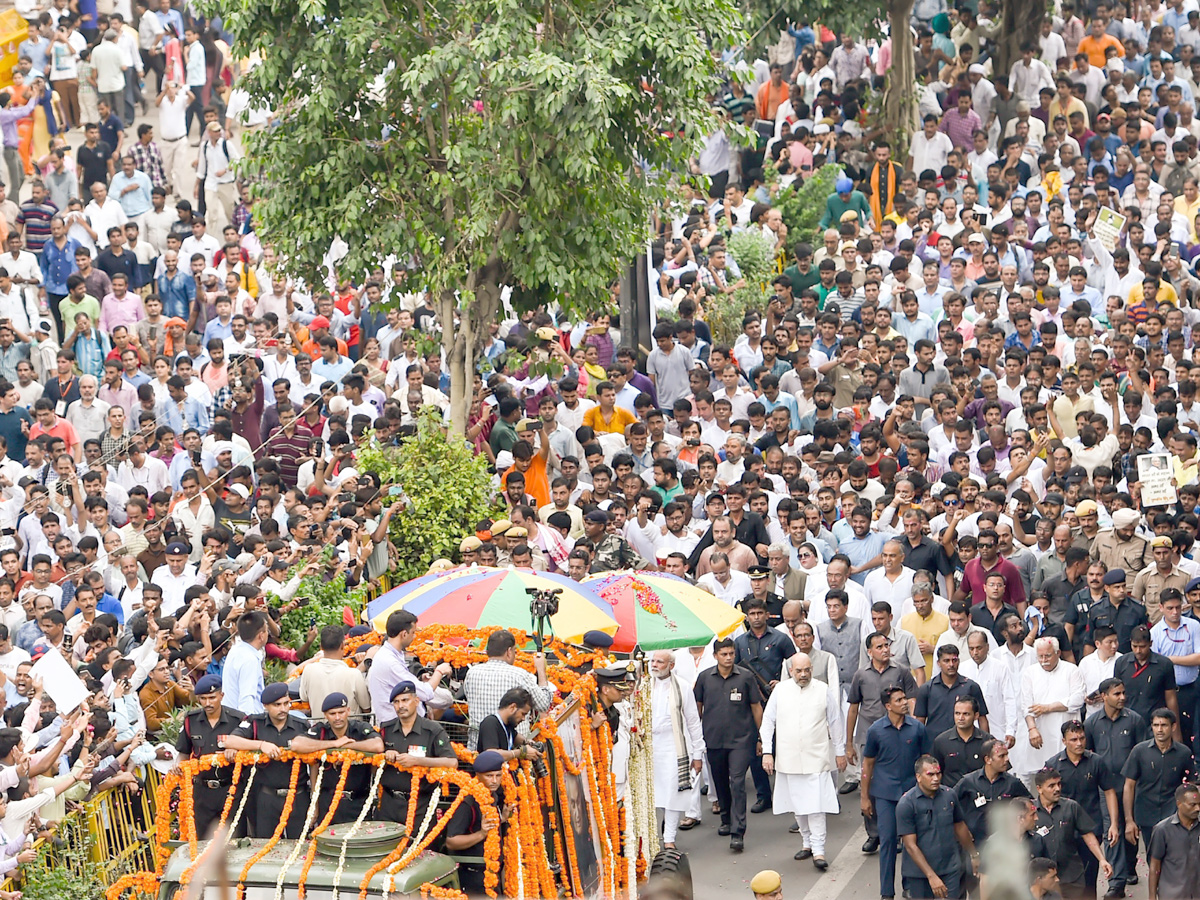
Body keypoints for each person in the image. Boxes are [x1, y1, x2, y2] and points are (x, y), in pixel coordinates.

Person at [760, 652, 846, 870]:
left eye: (807, 670)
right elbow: (768, 721)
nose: (803, 674)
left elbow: (835, 721)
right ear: (790, 671)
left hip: (815, 756)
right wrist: (768, 752)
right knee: (798, 805)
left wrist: (840, 751)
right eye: (799, 671)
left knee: (816, 806)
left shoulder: (822, 689)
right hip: (788, 757)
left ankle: (819, 850)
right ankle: (806, 843)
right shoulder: (780, 690)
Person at [694, 636, 763, 852]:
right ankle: (726, 819)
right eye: (724, 654)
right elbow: (697, 706)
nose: (728, 658)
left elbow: (756, 707)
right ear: (715, 656)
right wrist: (696, 737)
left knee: (737, 781)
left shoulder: (745, 677)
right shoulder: (705, 678)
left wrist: (760, 736)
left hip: (742, 739)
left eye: (731, 653)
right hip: (714, 739)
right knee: (720, 781)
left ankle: (738, 831)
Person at [861, 686, 931, 900]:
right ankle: (886, 892)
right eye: (899, 700)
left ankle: (909, 885)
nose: (904, 703)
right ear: (888, 705)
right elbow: (868, 765)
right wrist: (865, 797)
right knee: (888, 841)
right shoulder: (876, 730)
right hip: (885, 795)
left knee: (912, 841)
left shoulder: (917, 729)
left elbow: (926, 759)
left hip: (912, 794)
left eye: (904, 699)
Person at [220, 682, 310, 838]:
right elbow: (228, 740)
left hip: (298, 796)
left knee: (300, 845)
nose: (283, 709)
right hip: (267, 797)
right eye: (277, 705)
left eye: (286, 703)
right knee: (265, 847)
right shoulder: (255, 723)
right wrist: (261, 745)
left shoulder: (301, 725)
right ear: (265, 706)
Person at [290, 692, 384, 824]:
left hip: (358, 801)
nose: (337, 717)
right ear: (325, 715)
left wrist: (350, 747)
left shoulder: (359, 728)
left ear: (348, 711)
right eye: (332, 714)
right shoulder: (321, 731)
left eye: (341, 712)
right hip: (328, 802)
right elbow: (296, 744)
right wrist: (333, 745)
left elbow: (378, 745)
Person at [895, 755, 980, 900]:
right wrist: (931, 876)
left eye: (938, 774)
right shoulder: (906, 804)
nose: (936, 778)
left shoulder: (949, 795)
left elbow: (960, 827)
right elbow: (910, 846)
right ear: (918, 777)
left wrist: (973, 855)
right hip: (920, 874)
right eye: (930, 774)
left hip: (950, 868)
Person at [1121, 708, 1196, 868]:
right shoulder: (1139, 752)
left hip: (1174, 815)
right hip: (1147, 815)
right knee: (1154, 860)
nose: (1159, 729)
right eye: (1156, 725)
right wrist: (1129, 821)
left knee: (1176, 858)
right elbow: (1129, 786)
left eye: (1164, 725)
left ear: (1173, 727)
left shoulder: (1183, 753)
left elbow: (1191, 786)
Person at [377, 681, 458, 827]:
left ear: (416, 701)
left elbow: (452, 762)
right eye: (396, 702)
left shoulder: (432, 730)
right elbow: (373, 756)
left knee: (420, 849)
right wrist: (385, 754)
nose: (401, 706)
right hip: (389, 804)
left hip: (420, 805)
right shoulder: (386, 729)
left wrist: (418, 761)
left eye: (405, 700)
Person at [173, 674, 245, 838]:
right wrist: (178, 765)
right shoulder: (191, 721)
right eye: (203, 698)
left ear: (221, 695)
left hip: (230, 789)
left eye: (212, 697)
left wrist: (237, 751)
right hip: (202, 791)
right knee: (202, 842)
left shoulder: (238, 719)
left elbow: (249, 753)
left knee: (233, 840)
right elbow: (183, 751)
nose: (207, 703)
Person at [648, 650, 705, 850]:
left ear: (671, 665)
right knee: (653, 794)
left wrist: (698, 753)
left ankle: (669, 838)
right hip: (648, 747)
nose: (654, 665)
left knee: (673, 792)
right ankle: (651, 837)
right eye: (653, 661)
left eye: (659, 662)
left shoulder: (682, 687)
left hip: (674, 746)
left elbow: (693, 721)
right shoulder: (643, 685)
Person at [463, 628, 553, 750]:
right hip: (513, 751)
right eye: (515, 651)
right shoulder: (520, 675)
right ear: (509, 651)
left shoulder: (472, 673)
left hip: (477, 751)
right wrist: (541, 670)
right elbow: (543, 705)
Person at [1032, 767, 1114, 900]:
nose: (1057, 789)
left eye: (1059, 784)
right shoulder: (1031, 812)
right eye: (1051, 786)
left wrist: (1102, 859)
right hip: (1045, 881)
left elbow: (1087, 834)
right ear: (1039, 788)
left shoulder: (1071, 807)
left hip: (1072, 877)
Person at [444, 749, 508, 895]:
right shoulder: (467, 803)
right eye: (489, 776)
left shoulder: (492, 795)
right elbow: (451, 841)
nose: (494, 780)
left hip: (492, 872)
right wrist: (481, 834)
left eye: (498, 775)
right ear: (478, 776)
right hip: (472, 876)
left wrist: (502, 818)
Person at [1147, 783, 1200, 900]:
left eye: (1199, 804)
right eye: (1193, 805)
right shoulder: (1162, 830)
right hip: (1173, 894)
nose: (1198, 808)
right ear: (1179, 804)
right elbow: (1155, 865)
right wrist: (1152, 896)